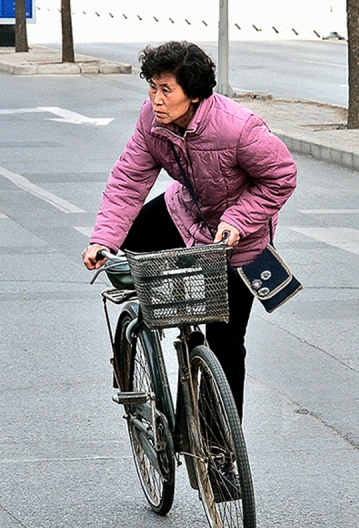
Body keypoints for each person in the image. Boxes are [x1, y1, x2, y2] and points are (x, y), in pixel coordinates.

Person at [82, 41, 297, 421]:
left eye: (167, 90)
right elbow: (129, 180)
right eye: (152, 86)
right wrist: (103, 238)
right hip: (185, 213)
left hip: (239, 237)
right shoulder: (152, 121)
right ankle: (146, 334)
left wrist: (239, 219)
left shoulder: (237, 128)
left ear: (194, 95)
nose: (156, 99)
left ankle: (221, 452)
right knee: (127, 246)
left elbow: (280, 178)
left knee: (226, 344)